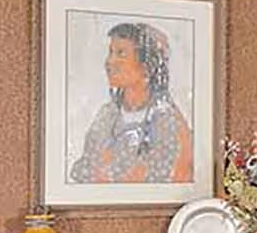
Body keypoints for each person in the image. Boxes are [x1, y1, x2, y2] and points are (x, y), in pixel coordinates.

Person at [69, 21, 195, 184]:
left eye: (121, 53)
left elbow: (166, 179)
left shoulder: (169, 122)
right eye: (110, 52)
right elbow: (83, 170)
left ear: (147, 66)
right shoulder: (107, 114)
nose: (109, 62)